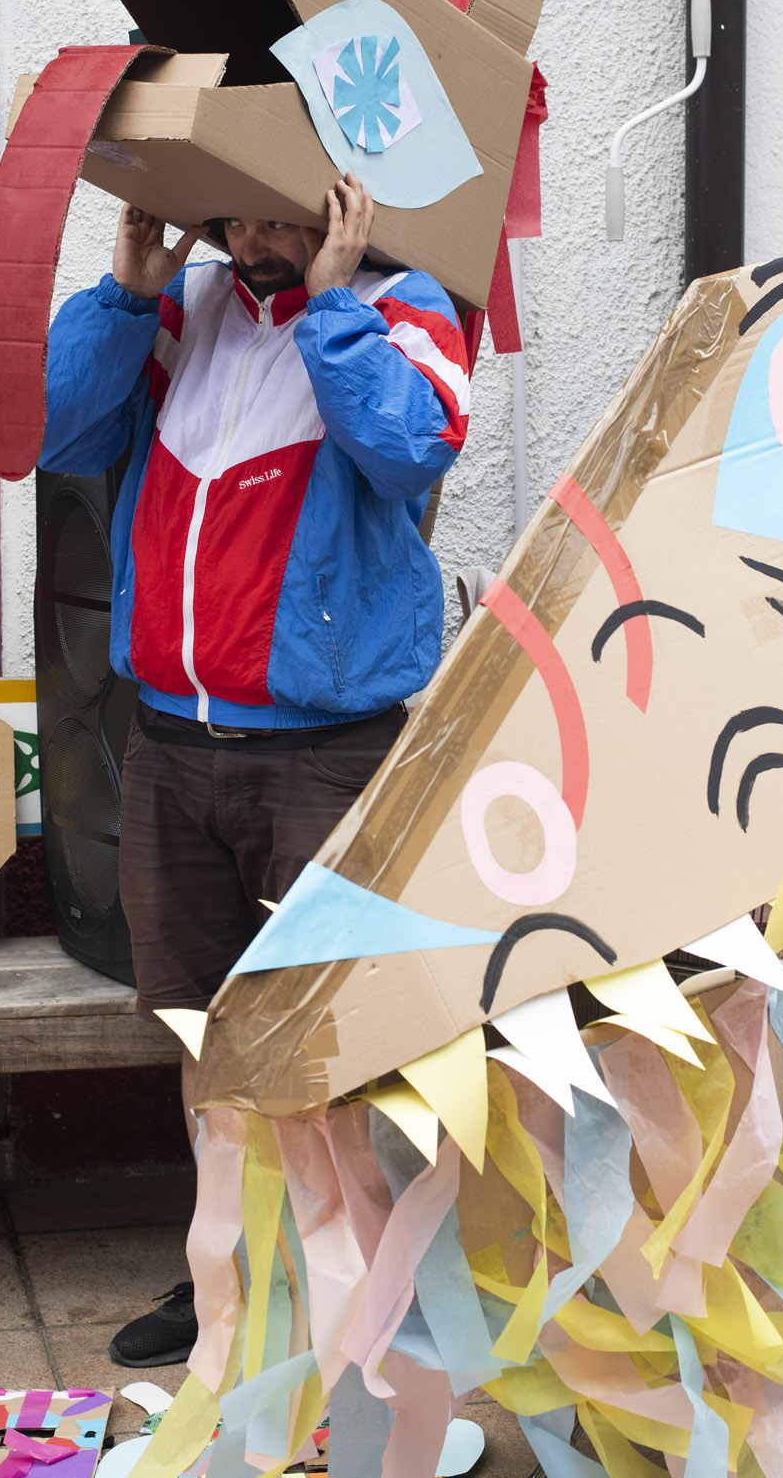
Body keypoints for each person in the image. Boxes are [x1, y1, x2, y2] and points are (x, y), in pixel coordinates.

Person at [40, 171, 471, 1366]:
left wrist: (330, 306)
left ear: (339, 209)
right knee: (206, 1034)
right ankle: (226, 1272)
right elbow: (56, 433)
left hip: (324, 755)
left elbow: (409, 448)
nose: (257, 239)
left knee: (334, 1034)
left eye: (281, 213)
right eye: (236, 216)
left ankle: (360, 1292)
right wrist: (124, 296)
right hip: (171, 748)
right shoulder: (180, 308)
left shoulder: (402, 308)